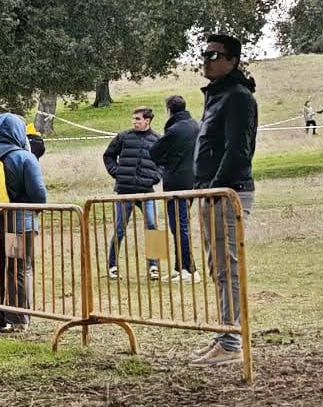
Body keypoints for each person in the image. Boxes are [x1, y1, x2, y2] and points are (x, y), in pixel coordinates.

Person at [192, 33, 258, 364]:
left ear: (232, 60)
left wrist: (216, 188)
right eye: (204, 54)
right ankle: (224, 334)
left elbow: (238, 151)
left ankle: (231, 342)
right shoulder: (218, 96)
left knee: (227, 266)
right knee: (217, 266)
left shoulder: (238, 97)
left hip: (227, 193)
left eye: (214, 55)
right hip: (212, 191)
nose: (206, 59)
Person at [0, 114, 48, 331]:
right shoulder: (25, 157)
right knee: (18, 269)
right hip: (18, 225)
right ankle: (18, 319)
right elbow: (39, 193)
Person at [102, 106, 163, 275]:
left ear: (147, 121)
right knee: (120, 227)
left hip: (146, 191)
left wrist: (156, 176)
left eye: (138, 119)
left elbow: (164, 161)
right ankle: (112, 265)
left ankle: (154, 266)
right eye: (133, 119)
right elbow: (108, 156)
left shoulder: (157, 139)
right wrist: (117, 173)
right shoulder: (123, 137)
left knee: (153, 225)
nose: (134, 122)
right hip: (125, 191)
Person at [153, 92, 200, 278]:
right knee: (179, 224)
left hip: (176, 183)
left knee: (179, 225)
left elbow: (154, 152)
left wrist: (168, 161)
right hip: (193, 180)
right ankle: (179, 266)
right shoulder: (196, 125)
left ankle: (189, 269)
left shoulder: (174, 130)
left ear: (169, 110)